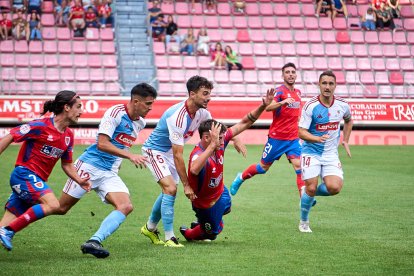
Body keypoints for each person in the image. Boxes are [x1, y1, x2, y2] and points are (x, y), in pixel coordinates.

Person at [140, 76, 245, 247]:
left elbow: (215, 129)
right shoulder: (178, 117)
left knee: (168, 190)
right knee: (171, 189)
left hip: (169, 153)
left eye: (209, 94)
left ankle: (150, 227)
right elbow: (178, 155)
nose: (208, 97)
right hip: (156, 151)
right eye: (205, 93)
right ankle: (169, 238)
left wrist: (236, 137)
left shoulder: (202, 112)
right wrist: (187, 185)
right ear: (192, 94)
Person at [56, 83, 157, 258]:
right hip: (88, 167)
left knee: (125, 206)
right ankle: (13, 222)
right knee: (60, 208)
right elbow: (102, 144)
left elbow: (121, 142)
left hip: (108, 173)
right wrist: (129, 156)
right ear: (136, 101)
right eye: (148, 103)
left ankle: (94, 241)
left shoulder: (140, 123)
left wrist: (119, 163)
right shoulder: (115, 113)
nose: (151, 107)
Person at [0, 90, 91, 251]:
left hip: (35, 181)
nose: (82, 111)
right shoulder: (40, 126)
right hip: (24, 174)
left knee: (4, 223)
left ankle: (5, 229)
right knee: (53, 204)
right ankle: (9, 231)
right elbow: (11, 135)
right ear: (66, 107)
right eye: (78, 107)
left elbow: (67, 164)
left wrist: (79, 180)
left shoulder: (68, 136)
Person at [180, 89, 274, 242]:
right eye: (220, 139)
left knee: (227, 208)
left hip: (220, 191)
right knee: (212, 234)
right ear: (206, 137)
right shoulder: (198, 154)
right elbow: (194, 169)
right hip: (205, 203)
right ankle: (189, 233)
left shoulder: (219, 143)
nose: (223, 142)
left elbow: (245, 122)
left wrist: (263, 106)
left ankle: (204, 224)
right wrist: (212, 146)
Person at [231, 63, 306, 199]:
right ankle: (240, 177)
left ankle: (304, 199)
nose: (290, 74)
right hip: (277, 138)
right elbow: (268, 107)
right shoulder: (280, 91)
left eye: (293, 72)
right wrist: (283, 103)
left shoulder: (298, 93)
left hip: (293, 138)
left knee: (299, 167)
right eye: (287, 72)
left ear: (296, 74)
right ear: (282, 75)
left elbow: (297, 113)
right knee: (262, 168)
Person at [298, 70, 353, 233]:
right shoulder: (311, 106)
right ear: (319, 85)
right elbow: (300, 132)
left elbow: (349, 120)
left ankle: (306, 192)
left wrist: (345, 140)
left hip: (330, 154)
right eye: (324, 83)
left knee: (335, 188)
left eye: (330, 83)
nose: (327, 87)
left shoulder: (342, 105)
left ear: (335, 86)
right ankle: (304, 221)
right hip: (310, 152)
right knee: (312, 187)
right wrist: (316, 138)